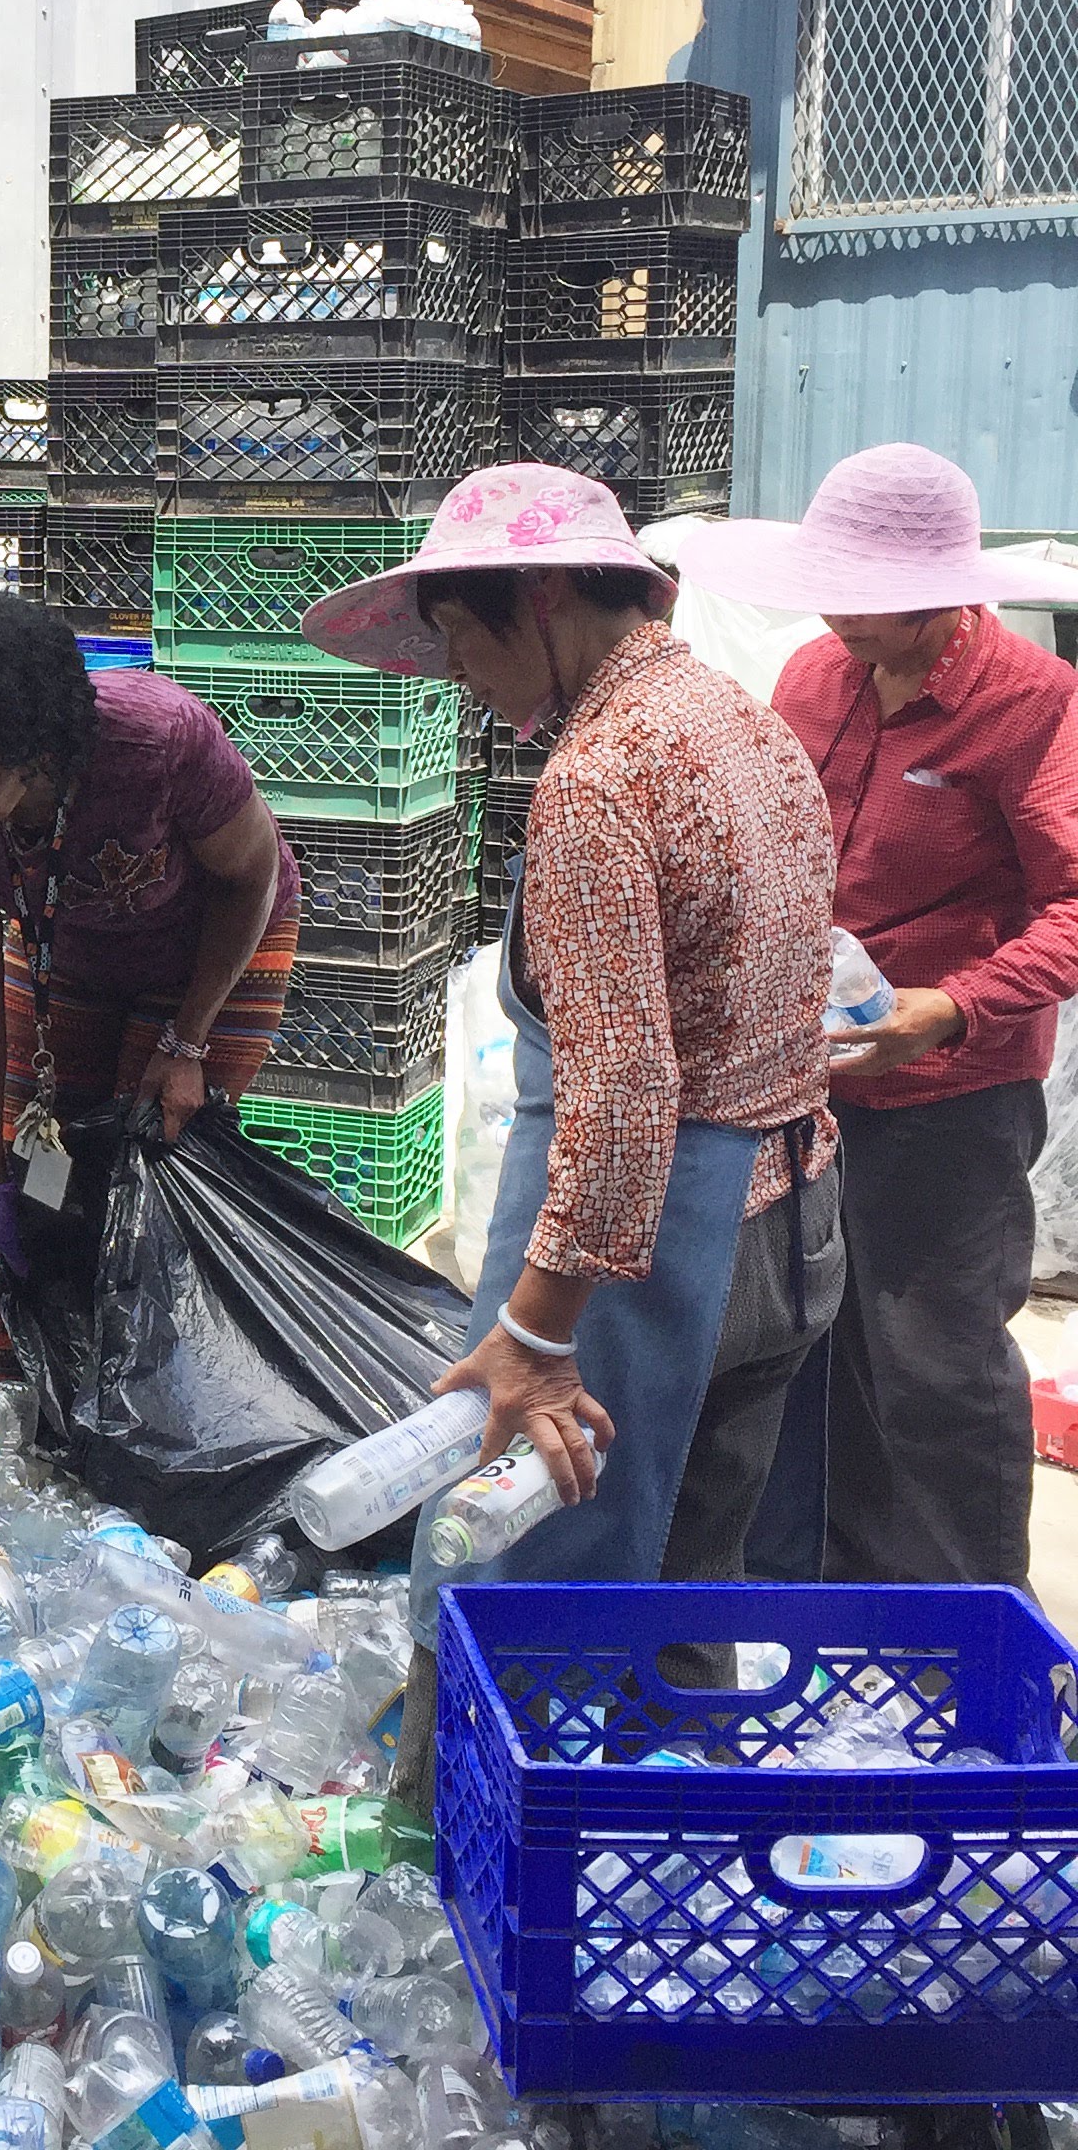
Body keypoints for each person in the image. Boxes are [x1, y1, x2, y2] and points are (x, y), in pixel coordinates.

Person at [302, 466, 844, 1783]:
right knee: (688, 1590)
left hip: (654, 1258)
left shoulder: (598, 781)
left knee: (511, 1588)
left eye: (461, 634)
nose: (454, 672)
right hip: (798, 1221)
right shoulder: (736, 718)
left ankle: (461, 1872)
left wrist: (537, 1337)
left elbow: (621, 1101)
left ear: (541, 597)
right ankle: (670, 1872)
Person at [677, 443, 1078, 1586]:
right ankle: (825, 1600)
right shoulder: (813, 677)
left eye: (866, 599)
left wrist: (954, 1007)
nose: (838, 617)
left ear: (942, 593)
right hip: (808, 1081)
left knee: (935, 1362)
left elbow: (1072, 902)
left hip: (951, 1094)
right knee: (803, 1344)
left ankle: (968, 1632)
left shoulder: (1033, 705)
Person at [0, 598, 299, 1380]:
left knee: (148, 1164)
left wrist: (187, 1042)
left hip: (216, 942)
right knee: (34, 1171)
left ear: (36, 754)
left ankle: (160, 1401)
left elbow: (250, 877)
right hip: (70, 956)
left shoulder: (156, 742)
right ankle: (37, 1403)